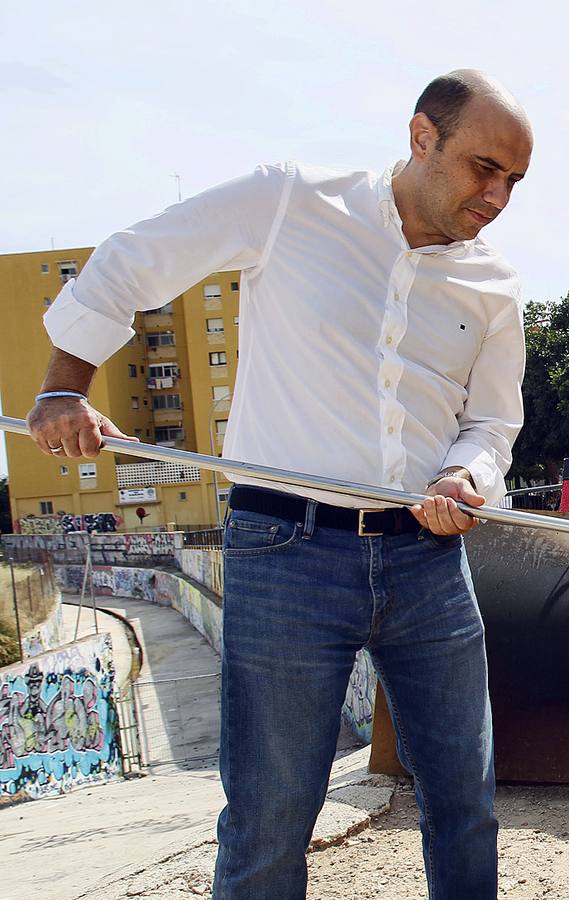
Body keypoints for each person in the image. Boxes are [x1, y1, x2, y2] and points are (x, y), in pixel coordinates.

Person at [25, 71, 529, 898]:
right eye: (485, 168)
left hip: (430, 562)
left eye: (514, 180)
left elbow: (494, 425)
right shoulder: (291, 201)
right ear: (421, 136)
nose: (498, 195)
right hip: (284, 551)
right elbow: (133, 261)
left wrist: (465, 474)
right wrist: (61, 387)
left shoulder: (496, 283)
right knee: (268, 818)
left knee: (467, 806)